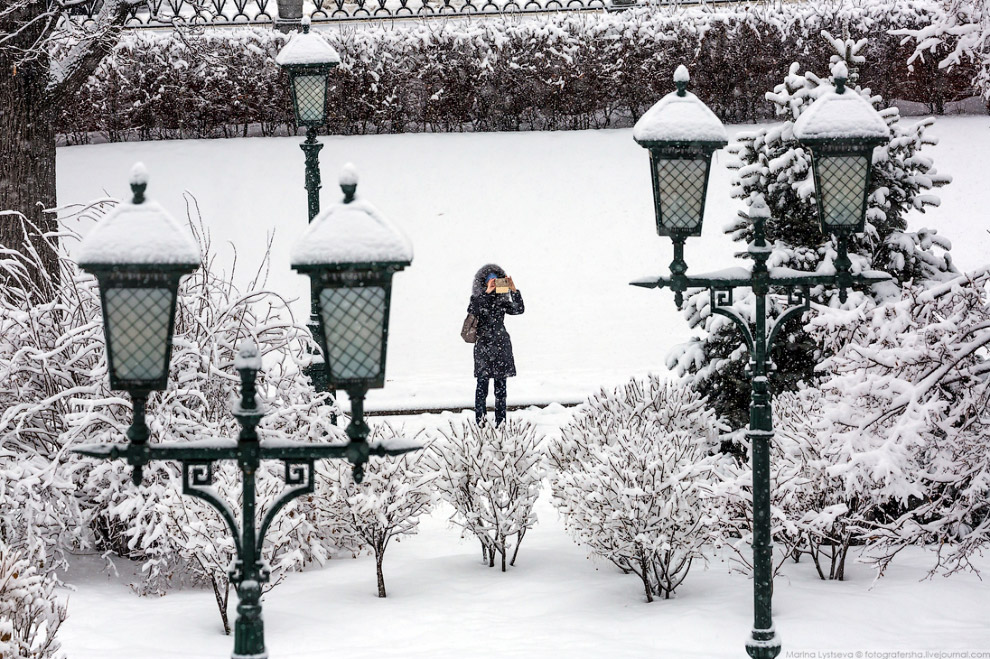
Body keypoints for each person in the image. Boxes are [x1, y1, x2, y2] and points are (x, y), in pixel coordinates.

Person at [468, 264, 525, 426]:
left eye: (496, 280)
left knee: (501, 389)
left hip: (501, 345)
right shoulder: (478, 299)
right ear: (484, 282)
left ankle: (501, 423)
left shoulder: (502, 301)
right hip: (483, 346)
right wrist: (487, 292)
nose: (493, 282)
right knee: (482, 387)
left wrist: (513, 290)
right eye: (490, 280)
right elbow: (473, 310)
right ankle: (480, 422)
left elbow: (519, 309)